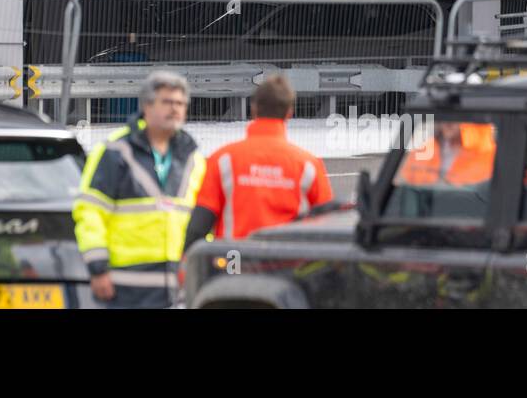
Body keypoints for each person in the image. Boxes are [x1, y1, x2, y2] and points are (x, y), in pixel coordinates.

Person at [73, 71, 205, 308]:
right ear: (147, 105)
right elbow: (90, 213)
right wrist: (97, 268)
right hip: (125, 285)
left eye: (180, 103)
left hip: (178, 285)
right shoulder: (115, 151)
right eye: (167, 102)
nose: (174, 109)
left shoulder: (193, 158)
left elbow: (202, 219)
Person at [184, 74, 333, 253]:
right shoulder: (309, 165)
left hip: (235, 265)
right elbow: (325, 228)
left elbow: (199, 225)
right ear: (289, 113)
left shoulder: (224, 160)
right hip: (287, 267)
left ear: (254, 109)